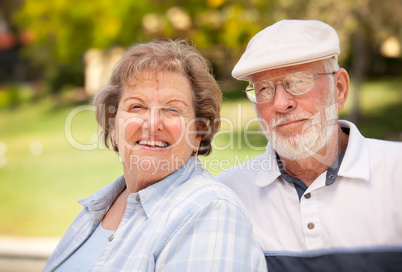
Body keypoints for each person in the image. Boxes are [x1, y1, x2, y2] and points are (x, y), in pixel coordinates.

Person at [44, 39, 267, 272]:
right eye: (136, 107)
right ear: (113, 126)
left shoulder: (211, 214)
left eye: (173, 109)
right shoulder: (97, 208)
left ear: (199, 133)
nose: (152, 123)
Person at [217, 19, 402, 271]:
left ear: (339, 88)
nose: (281, 104)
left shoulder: (396, 175)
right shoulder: (228, 196)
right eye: (264, 88)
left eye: (299, 81)